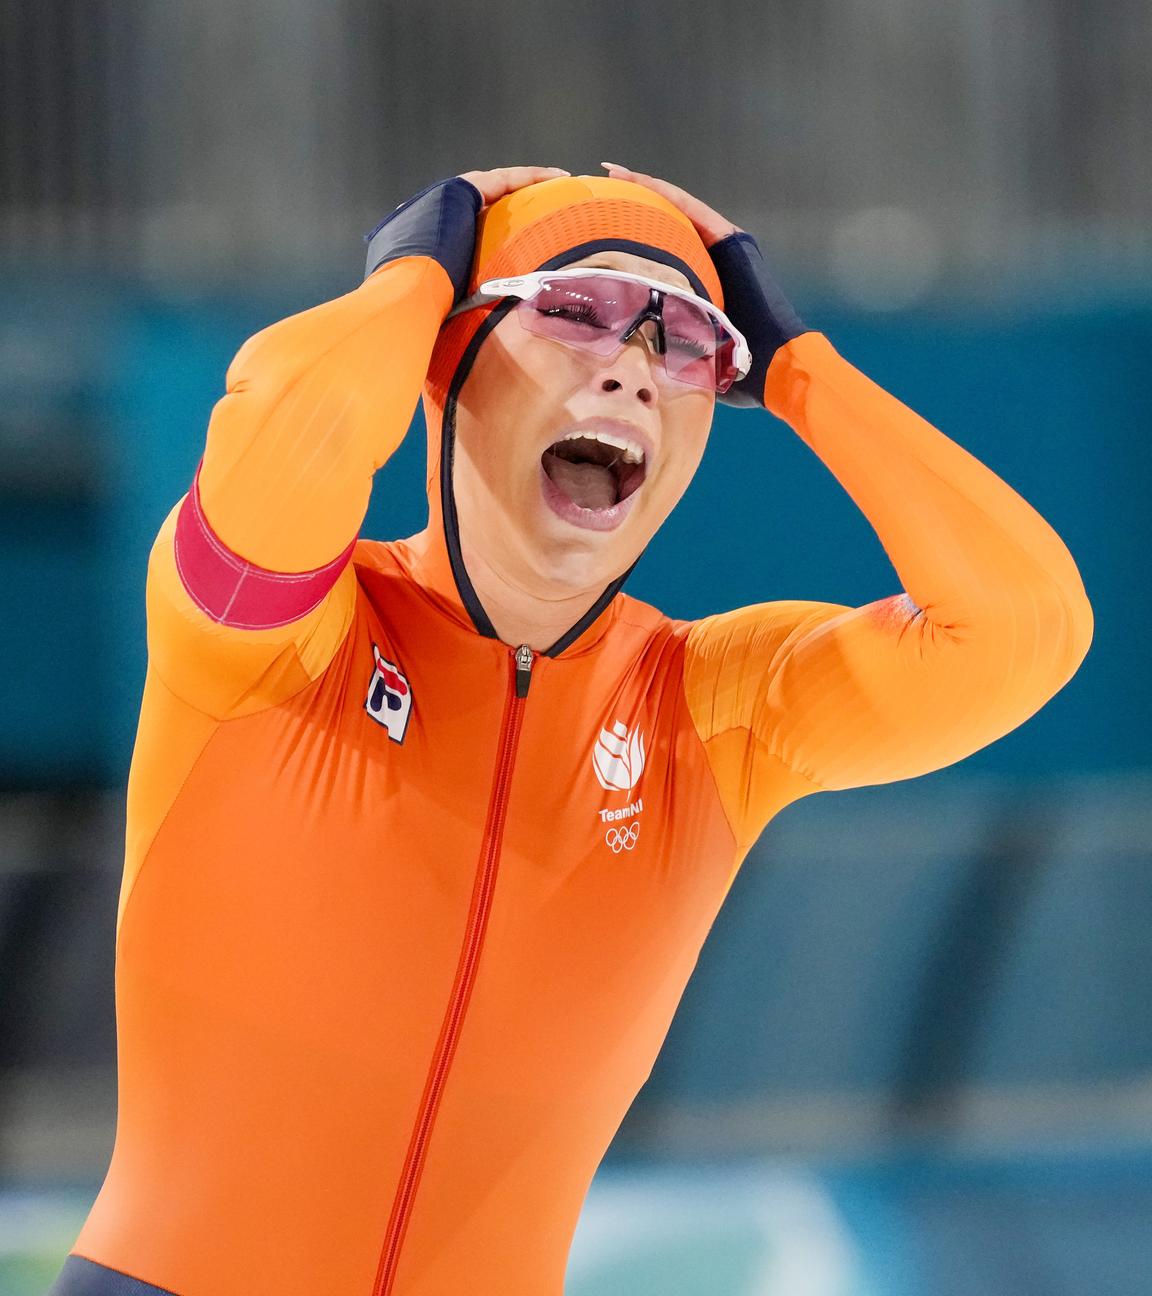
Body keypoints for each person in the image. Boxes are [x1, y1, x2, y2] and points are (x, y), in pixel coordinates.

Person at [51, 164, 1093, 1296]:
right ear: (448, 358)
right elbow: (289, 433)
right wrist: (413, 275)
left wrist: (799, 369)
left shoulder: (712, 708)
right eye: (574, 308)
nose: (629, 368)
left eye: (685, 341)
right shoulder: (274, 635)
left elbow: (1024, 628)